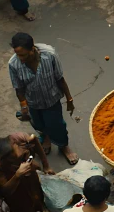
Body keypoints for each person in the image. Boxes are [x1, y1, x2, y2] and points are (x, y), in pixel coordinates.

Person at [9, 32, 80, 166]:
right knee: (39, 123)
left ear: (32, 49)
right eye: (17, 54)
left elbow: (60, 78)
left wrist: (69, 100)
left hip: (52, 98)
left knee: (57, 125)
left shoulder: (50, 55)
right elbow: (19, 88)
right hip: (33, 102)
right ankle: (46, 138)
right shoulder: (13, 64)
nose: (20, 58)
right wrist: (24, 106)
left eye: (23, 55)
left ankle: (63, 146)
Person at [0, 133, 54, 212]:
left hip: (30, 177)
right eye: (15, 157)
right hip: (15, 189)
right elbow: (4, 192)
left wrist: (46, 166)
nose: (20, 155)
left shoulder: (19, 139)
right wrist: (17, 175)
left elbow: (35, 141)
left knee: (37, 193)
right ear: (5, 160)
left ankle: (40, 206)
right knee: (25, 209)